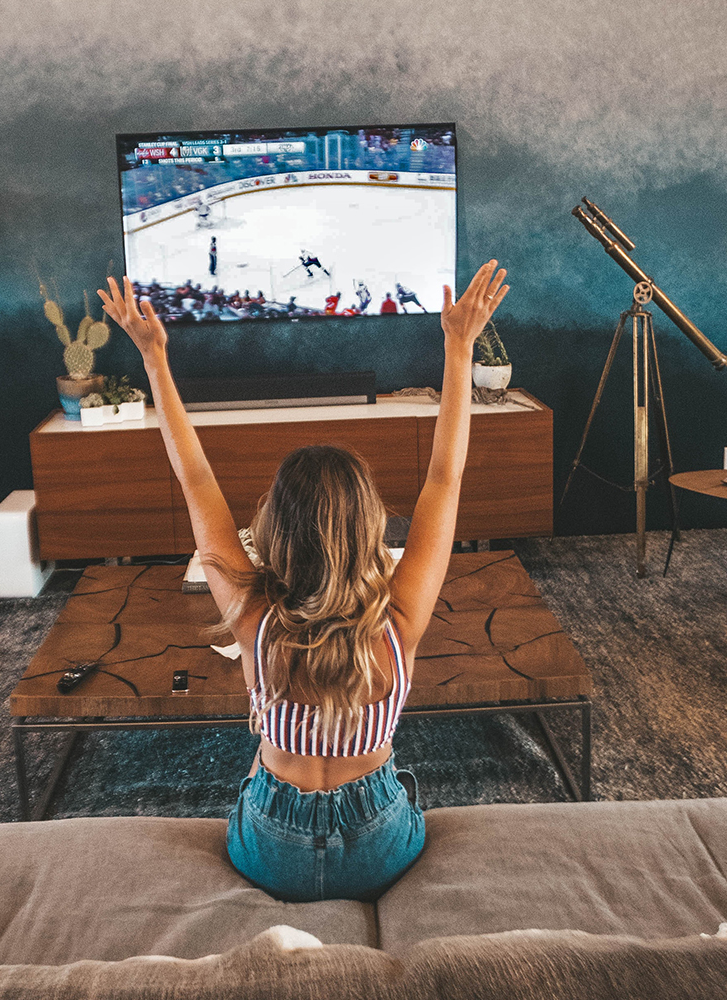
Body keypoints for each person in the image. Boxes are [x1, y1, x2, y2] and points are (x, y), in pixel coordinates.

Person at [98, 260, 510, 902]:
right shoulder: (399, 624)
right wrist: (458, 347)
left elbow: (196, 480)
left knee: (250, 777)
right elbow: (444, 479)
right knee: (407, 784)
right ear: (369, 529)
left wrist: (154, 358)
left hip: (271, 849)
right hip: (378, 846)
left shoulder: (253, 618)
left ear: (274, 532)